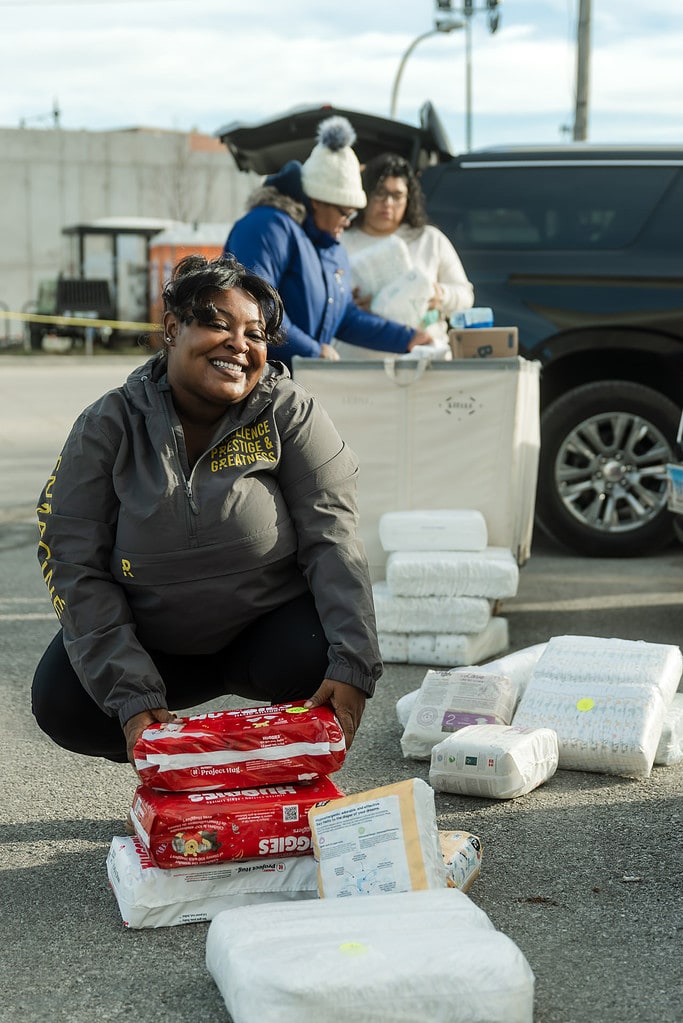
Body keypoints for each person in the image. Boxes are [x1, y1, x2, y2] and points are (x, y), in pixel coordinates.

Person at [32, 254, 381, 767]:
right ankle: (167, 754)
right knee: (64, 703)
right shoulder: (107, 426)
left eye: (255, 333)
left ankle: (276, 773)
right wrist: (132, 697)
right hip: (155, 643)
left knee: (320, 649)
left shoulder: (290, 412)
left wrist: (354, 665)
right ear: (172, 328)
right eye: (218, 324)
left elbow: (335, 540)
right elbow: (73, 563)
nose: (239, 345)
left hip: (268, 638)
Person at [224, 115, 434, 366]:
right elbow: (254, 306)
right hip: (257, 382)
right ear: (316, 201)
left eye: (353, 213)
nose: (348, 222)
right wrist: (313, 351)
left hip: (299, 383)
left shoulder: (331, 249)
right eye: (344, 213)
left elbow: (344, 317)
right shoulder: (268, 226)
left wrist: (409, 339)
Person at [337, 152, 474, 358]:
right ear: (364, 193)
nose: (388, 203)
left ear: (409, 197)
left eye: (397, 195)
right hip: (358, 363)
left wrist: (440, 295)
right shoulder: (340, 240)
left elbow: (465, 296)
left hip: (422, 361)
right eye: (380, 193)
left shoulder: (430, 239)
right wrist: (349, 303)